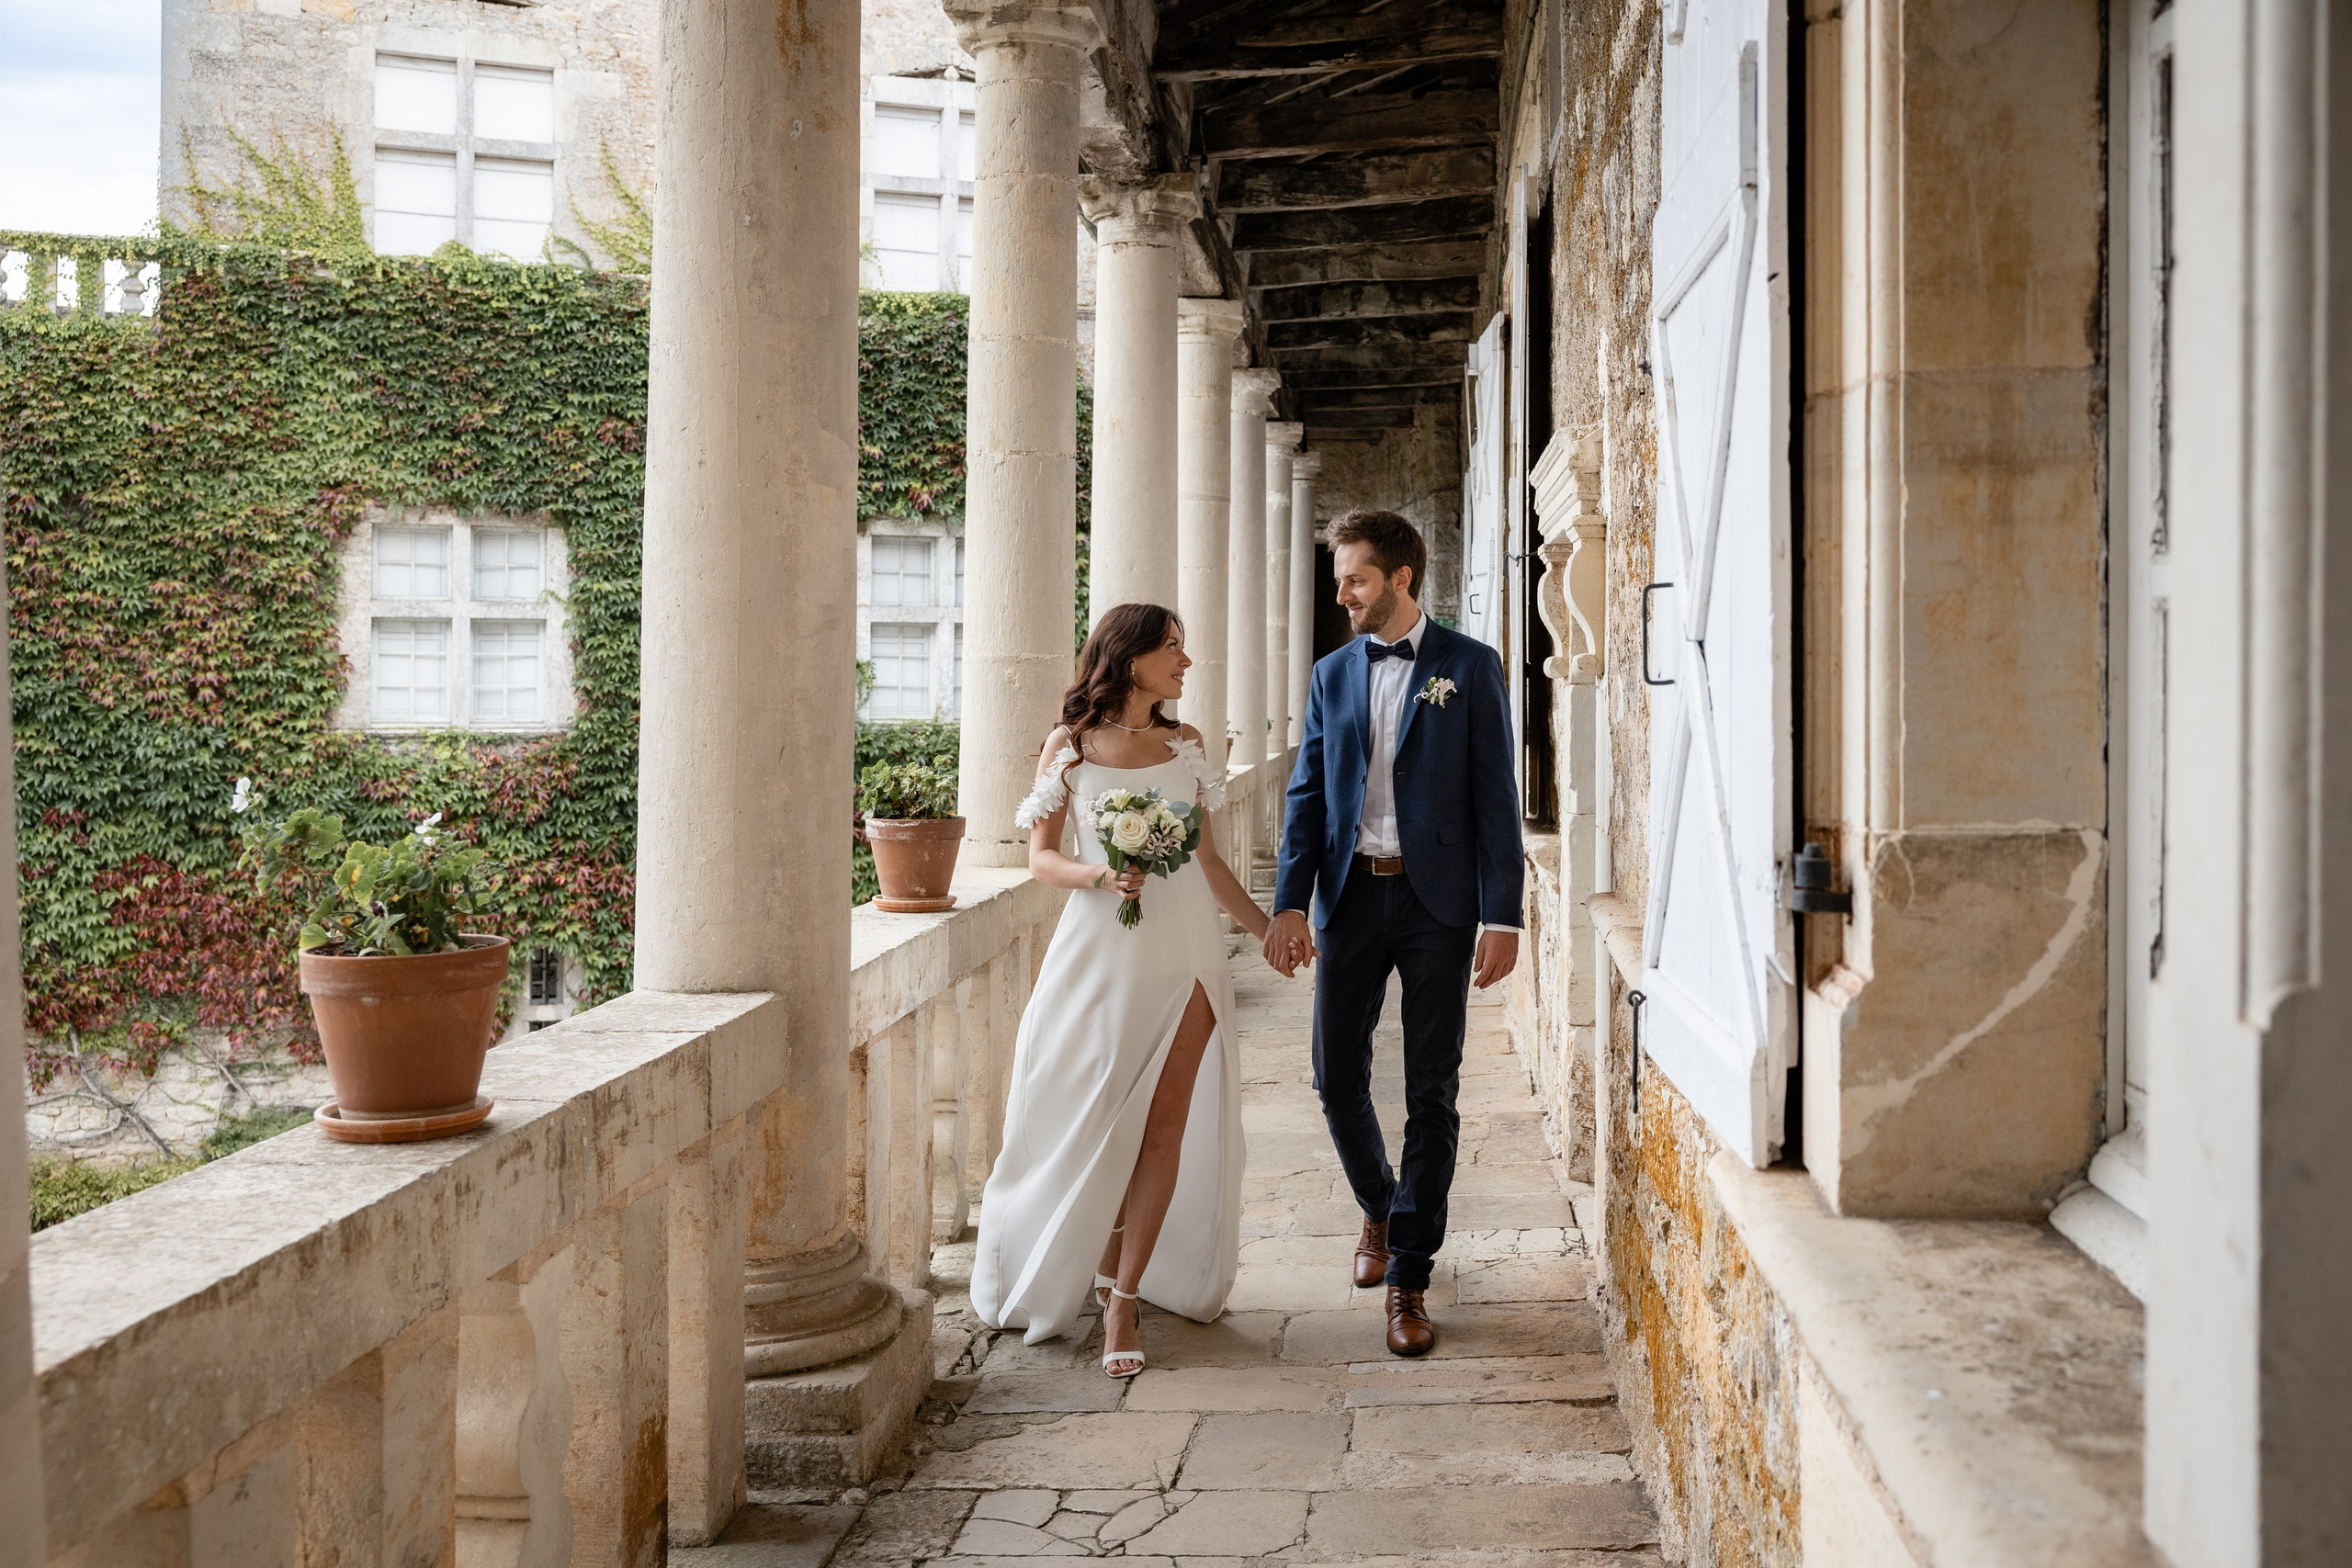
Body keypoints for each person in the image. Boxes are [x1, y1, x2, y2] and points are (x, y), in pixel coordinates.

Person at [970, 603, 1272, 1379]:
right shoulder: (1070, 746)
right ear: (1129, 657)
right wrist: (1101, 874)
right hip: (1101, 952)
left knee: (1165, 1126)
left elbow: (1208, 862)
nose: (1185, 661)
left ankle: (1125, 1296)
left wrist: (1268, 929)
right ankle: (1094, 1256)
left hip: (1188, 951)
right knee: (1099, 1115)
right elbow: (1040, 857)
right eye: (1172, 647)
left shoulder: (1186, 743)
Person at [1265, 510, 1524, 1357]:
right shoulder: (1332, 673)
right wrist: (1290, 902)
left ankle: (1409, 1271)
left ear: (1401, 578)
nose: (1342, 594)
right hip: (1349, 897)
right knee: (1335, 1075)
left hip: (1437, 902)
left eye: (1356, 580)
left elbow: (1497, 798)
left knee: (1431, 1089)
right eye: (1341, 580)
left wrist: (1503, 913)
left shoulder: (1470, 667)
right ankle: (1381, 1204)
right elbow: (1308, 794)